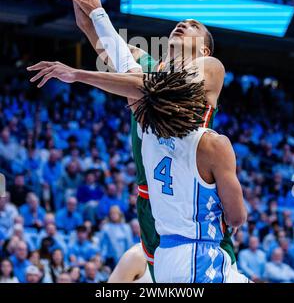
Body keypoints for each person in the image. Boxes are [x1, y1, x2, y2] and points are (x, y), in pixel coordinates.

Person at [47, 0, 236, 281]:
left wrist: (81, 72)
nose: (183, 24)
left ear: (205, 47)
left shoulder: (209, 68)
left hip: (193, 203)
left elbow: (155, 86)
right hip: (151, 199)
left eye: (194, 26)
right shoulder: (142, 64)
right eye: (180, 22)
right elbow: (88, 23)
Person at [28, 54, 248, 283]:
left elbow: (128, 72)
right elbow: (236, 217)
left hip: (164, 255)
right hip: (199, 255)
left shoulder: (148, 134)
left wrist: (77, 74)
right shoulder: (213, 144)